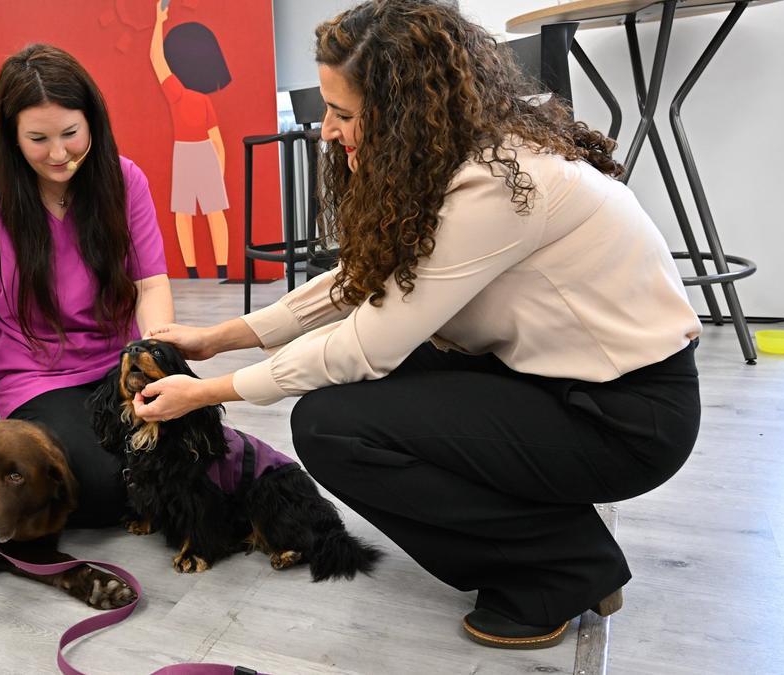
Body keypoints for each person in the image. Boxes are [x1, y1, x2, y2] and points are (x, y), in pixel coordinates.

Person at [132, 0, 702, 649]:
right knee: (366, 397)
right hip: (565, 382)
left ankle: (560, 566)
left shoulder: (498, 185)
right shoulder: (466, 157)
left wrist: (205, 391)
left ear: (401, 110)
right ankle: (564, 548)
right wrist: (221, 337)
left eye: (342, 114)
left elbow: (365, 345)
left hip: (626, 417)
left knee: (330, 427)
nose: (325, 130)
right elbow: (363, 278)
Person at [0, 44, 172, 528]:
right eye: (38, 138)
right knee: (98, 488)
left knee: (188, 451)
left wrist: (155, 363)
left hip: (116, 367)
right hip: (33, 379)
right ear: (12, 137)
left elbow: (151, 284)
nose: (59, 154)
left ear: (92, 122)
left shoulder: (124, 180)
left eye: (71, 134)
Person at [150, 0, 233, 280]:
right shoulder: (185, 95)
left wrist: (159, 21)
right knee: (201, 212)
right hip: (194, 153)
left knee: (193, 213)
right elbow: (217, 140)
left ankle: (201, 271)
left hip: (192, 153)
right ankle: (208, 270)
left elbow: (157, 60)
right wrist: (159, 22)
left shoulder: (181, 95)